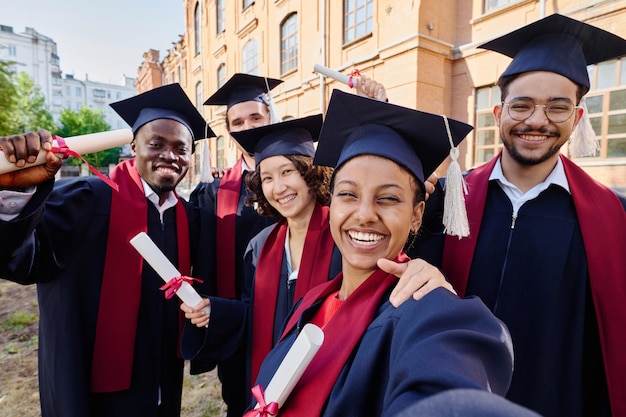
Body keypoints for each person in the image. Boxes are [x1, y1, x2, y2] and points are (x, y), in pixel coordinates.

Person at [248, 89, 513, 417]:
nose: (364, 214)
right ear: (331, 203)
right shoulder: (311, 302)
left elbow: (447, 383)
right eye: (348, 194)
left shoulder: (430, 311)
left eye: (387, 198)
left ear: (416, 215)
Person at [424, 14, 626, 417]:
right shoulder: (450, 199)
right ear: (498, 114)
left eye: (557, 107)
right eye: (522, 105)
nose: (537, 120)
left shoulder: (613, 215)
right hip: (458, 399)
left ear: (578, 118)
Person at [0, 83, 216, 417]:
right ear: (133, 147)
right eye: (155, 144)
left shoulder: (188, 218)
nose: (169, 155)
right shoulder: (85, 199)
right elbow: (23, 258)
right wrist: (21, 189)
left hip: (161, 385)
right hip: (89, 387)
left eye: (180, 148)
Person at [188, 72, 397, 416]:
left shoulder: (349, 236)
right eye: (268, 178)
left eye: (288, 172)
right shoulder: (260, 246)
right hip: (269, 384)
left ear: (309, 171)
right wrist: (217, 311)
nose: (279, 186)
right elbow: (251, 311)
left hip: (333, 386)